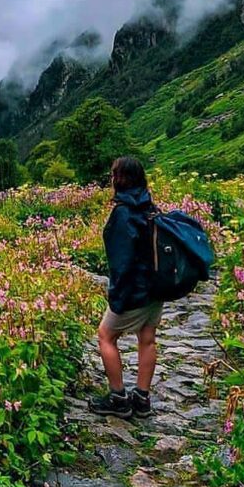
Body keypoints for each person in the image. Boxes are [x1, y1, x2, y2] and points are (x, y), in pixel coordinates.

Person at [89, 156, 161, 419]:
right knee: (147, 338)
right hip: (156, 288)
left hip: (134, 289)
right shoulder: (149, 205)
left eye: (113, 174)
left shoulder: (122, 213)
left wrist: (117, 296)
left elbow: (122, 260)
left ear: (119, 179)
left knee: (106, 335)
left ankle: (118, 398)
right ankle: (142, 399)